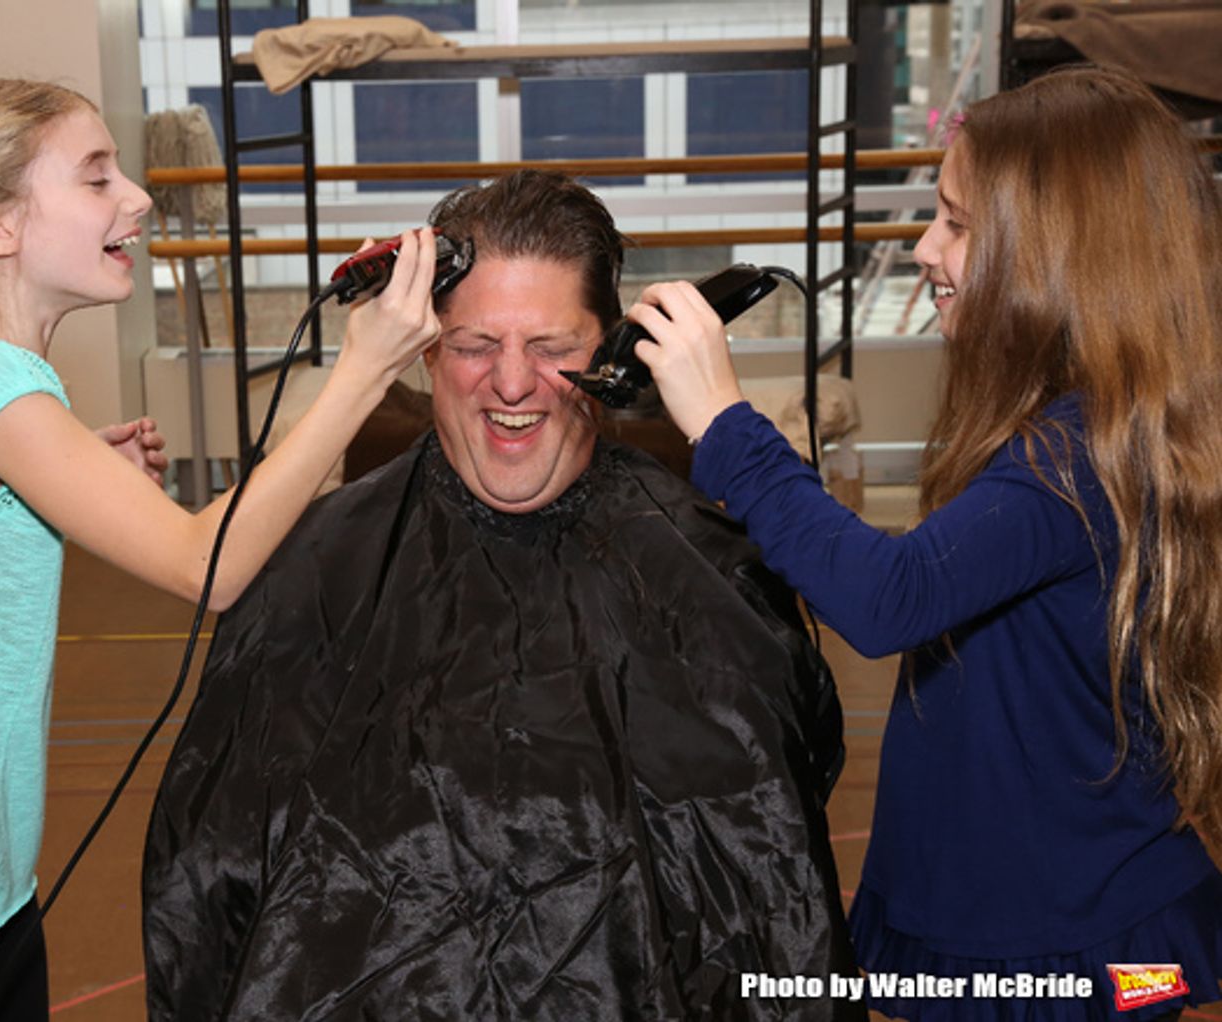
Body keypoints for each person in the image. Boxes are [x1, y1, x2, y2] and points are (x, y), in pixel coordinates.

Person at [142, 170, 865, 1021]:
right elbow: (204, 889)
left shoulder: (710, 570)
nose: (512, 385)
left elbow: (773, 883)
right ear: (425, 350)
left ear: (616, 354)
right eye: (476, 345)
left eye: (553, 350)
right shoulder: (312, 571)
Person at [0, 79, 439, 1022]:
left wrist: (69, 475)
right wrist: (362, 373)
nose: (138, 198)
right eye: (96, 176)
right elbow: (209, 565)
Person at [633, 66, 1222, 1020]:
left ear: (1053, 253)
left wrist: (725, 420)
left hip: (1074, 955)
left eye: (954, 222)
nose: (921, 248)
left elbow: (886, 597)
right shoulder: (1093, 436)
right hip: (1051, 926)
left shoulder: (1071, 461)